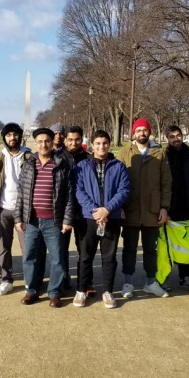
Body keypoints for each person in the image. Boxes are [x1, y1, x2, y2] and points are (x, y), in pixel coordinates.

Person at [15, 127, 74, 308]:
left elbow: (69, 195)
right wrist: (18, 217)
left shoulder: (62, 164)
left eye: (47, 141)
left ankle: (54, 292)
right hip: (31, 220)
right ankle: (32, 290)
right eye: (39, 141)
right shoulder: (28, 165)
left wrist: (67, 220)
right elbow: (21, 194)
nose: (43, 145)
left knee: (57, 259)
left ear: (52, 142)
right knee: (30, 258)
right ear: (35, 143)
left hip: (53, 221)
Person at [73, 130, 130, 308]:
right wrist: (95, 211)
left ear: (109, 144)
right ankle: (81, 290)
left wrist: (107, 209)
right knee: (85, 256)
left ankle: (107, 291)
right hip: (88, 218)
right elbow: (78, 191)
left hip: (111, 217)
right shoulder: (81, 166)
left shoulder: (118, 166)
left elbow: (124, 190)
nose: (101, 146)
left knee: (109, 256)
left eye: (104, 143)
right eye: (97, 143)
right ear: (91, 145)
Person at [116, 118, 172, 299]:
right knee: (129, 248)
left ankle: (151, 282)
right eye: (138, 130)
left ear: (150, 132)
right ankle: (128, 282)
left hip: (153, 210)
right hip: (130, 209)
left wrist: (164, 207)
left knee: (151, 249)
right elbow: (117, 183)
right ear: (133, 133)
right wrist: (120, 207)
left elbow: (166, 183)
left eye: (145, 130)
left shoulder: (160, 153)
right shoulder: (124, 153)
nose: (142, 133)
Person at [0, 123, 31, 296]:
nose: (12, 138)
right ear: (4, 137)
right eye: (8, 135)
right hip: (3, 208)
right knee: (4, 247)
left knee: (27, 248)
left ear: (20, 136)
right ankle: (6, 279)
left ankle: (30, 279)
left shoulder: (29, 156)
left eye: (15, 134)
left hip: (23, 209)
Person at [164, 125, 189, 290]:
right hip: (168, 207)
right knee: (165, 244)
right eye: (172, 136)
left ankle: (185, 275)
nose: (176, 139)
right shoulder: (163, 156)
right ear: (167, 138)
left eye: (178, 135)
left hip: (187, 207)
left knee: (187, 245)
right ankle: (163, 276)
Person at [62, 125, 89, 291]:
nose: (73, 143)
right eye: (70, 139)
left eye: (77, 139)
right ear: (65, 140)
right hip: (63, 211)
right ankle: (64, 278)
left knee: (85, 250)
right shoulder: (58, 157)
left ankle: (85, 281)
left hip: (83, 211)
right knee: (61, 249)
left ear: (82, 139)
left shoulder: (89, 159)